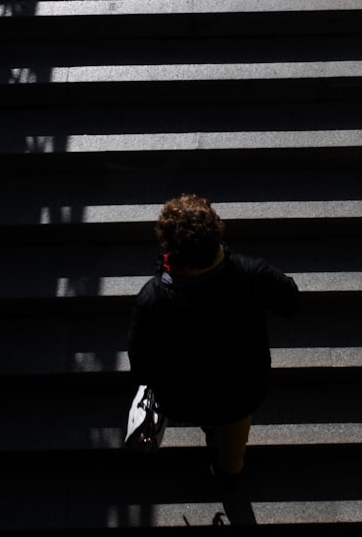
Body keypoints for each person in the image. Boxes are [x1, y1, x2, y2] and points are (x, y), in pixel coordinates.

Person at [127, 194, 299, 486]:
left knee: (211, 414)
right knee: (234, 429)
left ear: (167, 246)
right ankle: (229, 470)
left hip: (183, 396)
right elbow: (290, 302)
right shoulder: (250, 273)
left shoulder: (152, 299)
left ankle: (209, 427)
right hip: (241, 388)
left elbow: (141, 363)